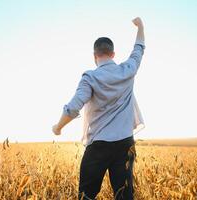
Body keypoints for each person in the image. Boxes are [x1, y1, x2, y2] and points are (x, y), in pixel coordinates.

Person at [52, 17, 145, 200]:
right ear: (113, 54)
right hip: (125, 144)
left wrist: (58, 127)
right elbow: (139, 49)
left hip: (98, 146)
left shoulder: (90, 78)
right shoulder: (128, 69)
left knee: (86, 196)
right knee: (124, 196)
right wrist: (140, 26)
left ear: (95, 56)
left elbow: (73, 108)